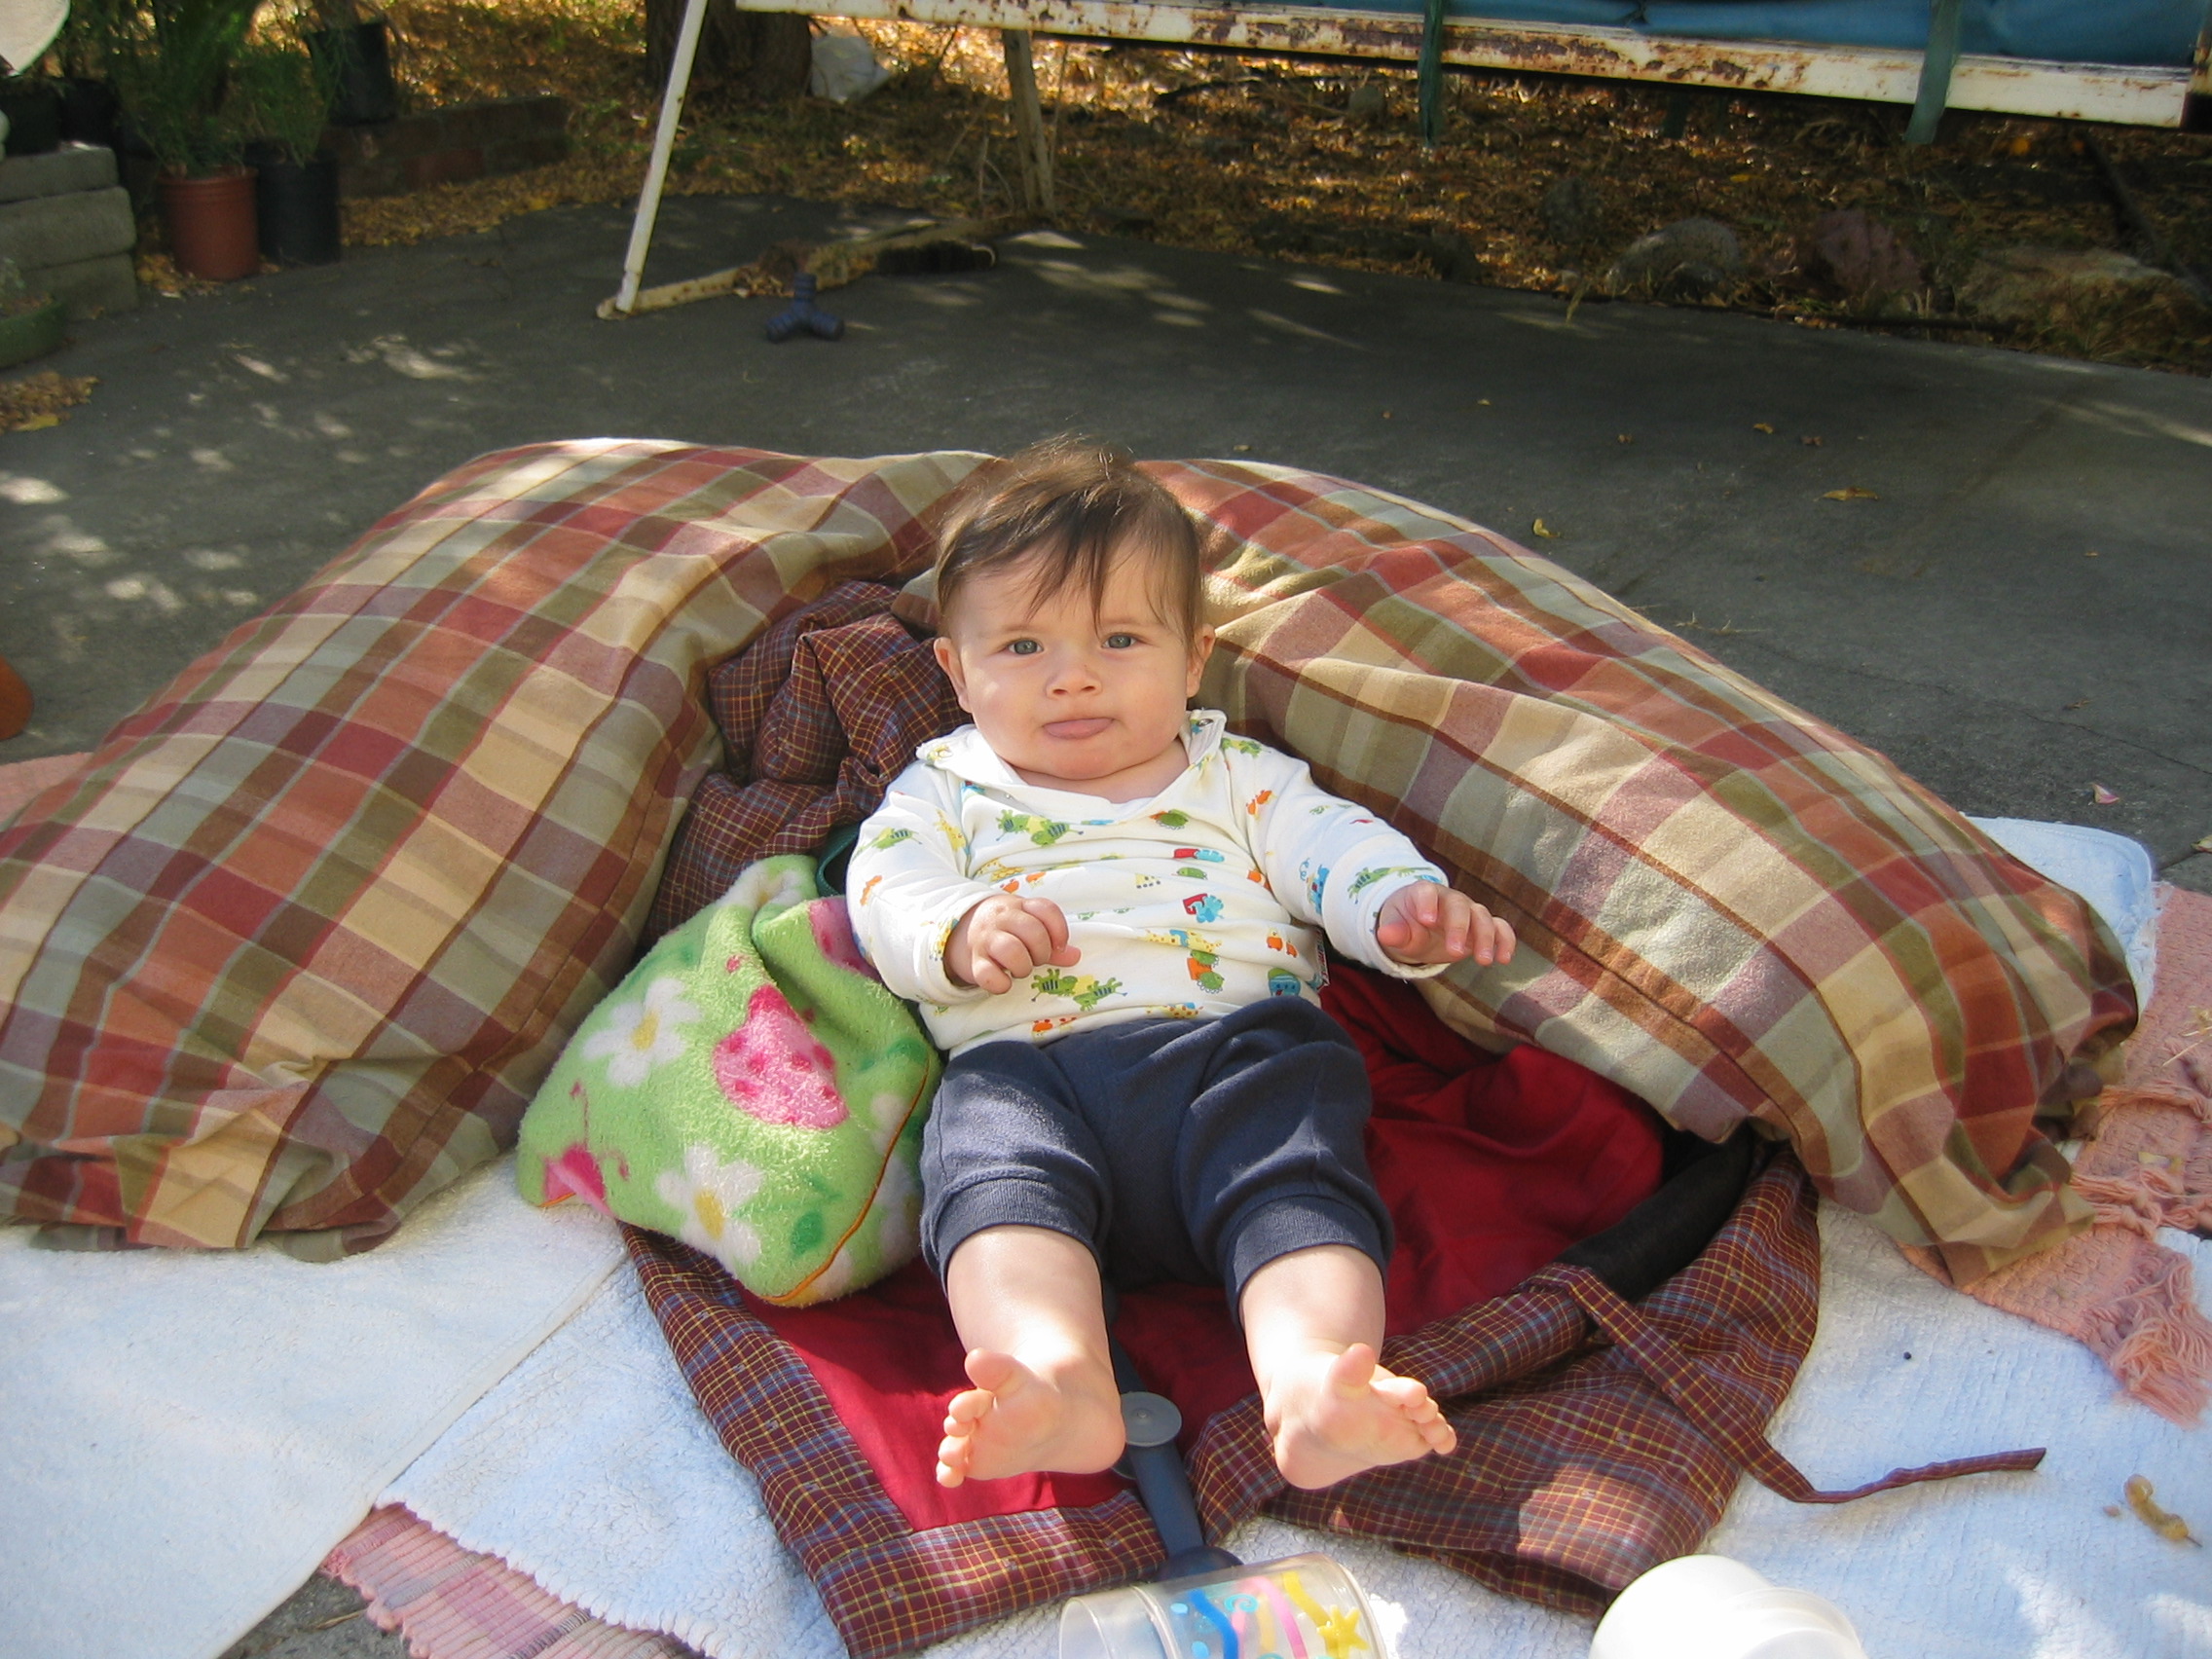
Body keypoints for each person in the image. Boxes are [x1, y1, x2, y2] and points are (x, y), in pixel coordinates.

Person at [847, 438, 1517, 1493]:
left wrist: (1395, 904)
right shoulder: (942, 792)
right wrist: (960, 930)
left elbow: (1330, 845)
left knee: (1297, 1173)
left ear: (1194, 658)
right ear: (956, 671)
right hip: (1033, 1073)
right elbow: (885, 891)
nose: (1073, 676)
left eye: (1120, 638)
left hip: (1234, 1058)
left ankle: (1313, 1380)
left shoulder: (1238, 776)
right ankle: (1058, 1376)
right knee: (987, 1178)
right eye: (1021, 646)